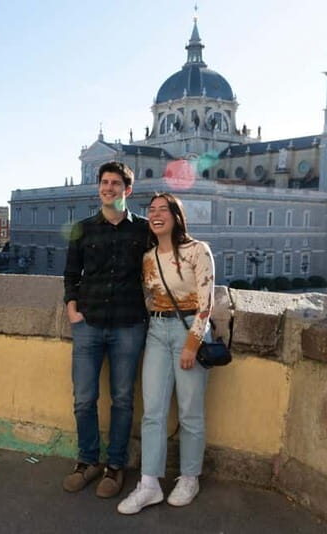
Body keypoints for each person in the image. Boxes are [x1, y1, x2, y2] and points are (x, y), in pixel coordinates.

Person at [117, 192, 215, 515]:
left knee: (190, 411)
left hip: (190, 330)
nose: (156, 214)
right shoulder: (148, 258)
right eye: (152, 210)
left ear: (176, 215)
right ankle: (149, 484)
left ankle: (189, 477)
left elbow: (207, 303)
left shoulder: (197, 252)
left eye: (164, 209)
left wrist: (192, 343)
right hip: (157, 331)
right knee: (153, 411)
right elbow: (148, 297)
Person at [62, 161, 149, 498]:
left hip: (128, 324)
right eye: (104, 182)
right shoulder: (82, 229)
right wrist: (72, 306)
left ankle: (115, 466)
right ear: (98, 187)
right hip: (89, 324)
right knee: (84, 398)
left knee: (123, 400)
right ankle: (87, 461)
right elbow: (71, 274)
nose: (108, 188)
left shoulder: (143, 230)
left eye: (115, 183)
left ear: (128, 190)